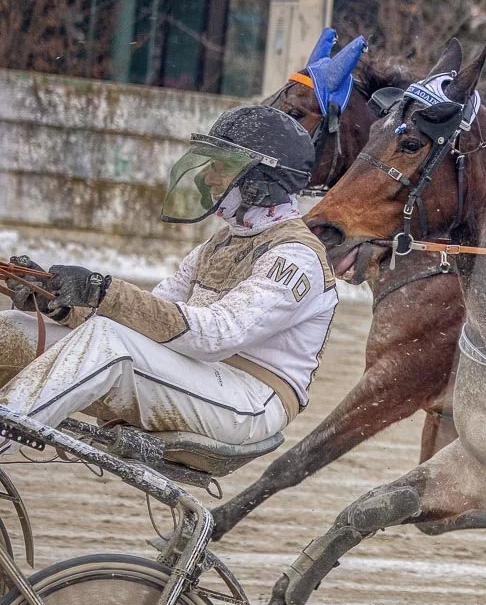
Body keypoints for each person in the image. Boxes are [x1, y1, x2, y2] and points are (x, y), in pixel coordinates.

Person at [0, 104, 336, 449]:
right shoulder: (220, 242)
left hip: (250, 401)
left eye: (220, 167)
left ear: (259, 183)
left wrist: (101, 290)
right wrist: (63, 306)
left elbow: (215, 335)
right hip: (197, 374)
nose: (206, 177)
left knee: (110, 341)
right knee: (11, 326)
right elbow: (150, 315)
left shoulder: (296, 255)